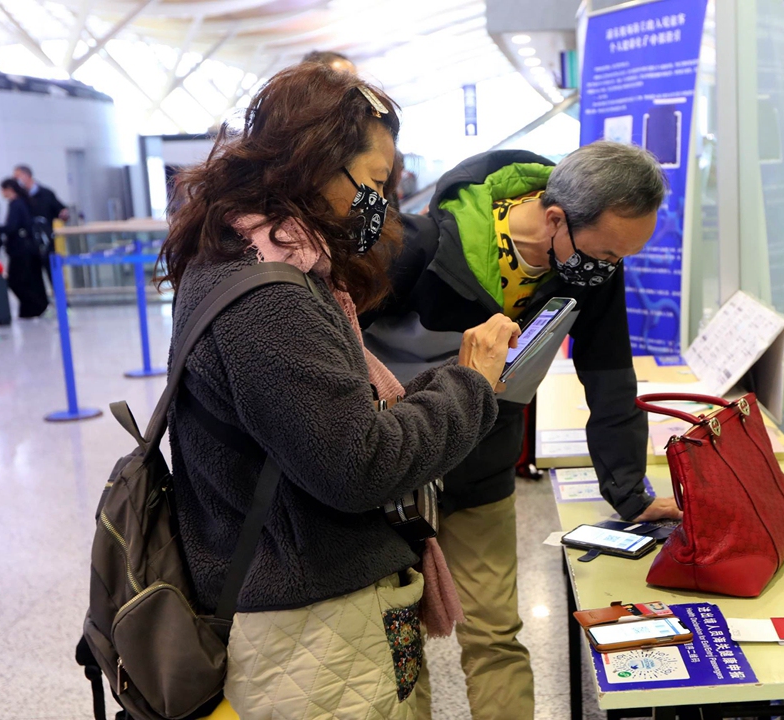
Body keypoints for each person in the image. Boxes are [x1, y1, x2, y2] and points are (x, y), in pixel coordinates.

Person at [159, 64, 520, 720]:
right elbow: (358, 465)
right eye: (374, 184)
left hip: (302, 600)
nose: (380, 203)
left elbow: (329, 424)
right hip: (311, 626)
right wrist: (469, 385)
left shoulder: (248, 259)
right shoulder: (269, 299)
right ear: (315, 161)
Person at [361, 141, 676, 719]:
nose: (609, 268)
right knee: (400, 644)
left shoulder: (590, 269)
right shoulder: (422, 248)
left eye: (621, 257)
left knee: (495, 633)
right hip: (391, 473)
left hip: (482, 468)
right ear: (555, 218)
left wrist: (630, 494)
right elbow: (336, 345)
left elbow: (609, 375)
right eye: (607, 252)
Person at [0, 178, 48, 318]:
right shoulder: (24, 202)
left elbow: (12, 226)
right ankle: (32, 308)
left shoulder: (16, 204)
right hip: (28, 249)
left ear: (9, 189)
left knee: (16, 281)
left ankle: (34, 306)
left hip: (20, 250)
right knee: (31, 280)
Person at [12, 164, 68, 288]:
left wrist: (64, 214)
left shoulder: (46, 194)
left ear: (27, 176)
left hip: (46, 243)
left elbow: (59, 210)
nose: (15, 181)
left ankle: (61, 299)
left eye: (17, 177)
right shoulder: (19, 199)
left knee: (53, 275)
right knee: (33, 281)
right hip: (28, 246)